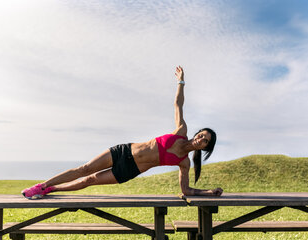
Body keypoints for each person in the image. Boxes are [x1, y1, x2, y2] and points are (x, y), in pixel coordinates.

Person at [22, 66, 223, 199]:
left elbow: (185, 191)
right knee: (85, 169)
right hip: (123, 151)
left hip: (130, 170)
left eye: (205, 141)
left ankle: (52, 189)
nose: (200, 139)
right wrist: (181, 82)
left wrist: (209, 192)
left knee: (88, 181)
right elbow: (178, 104)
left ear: (205, 148)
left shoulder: (184, 162)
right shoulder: (181, 130)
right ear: (196, 133)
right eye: (201, 135)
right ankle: (42, 186)